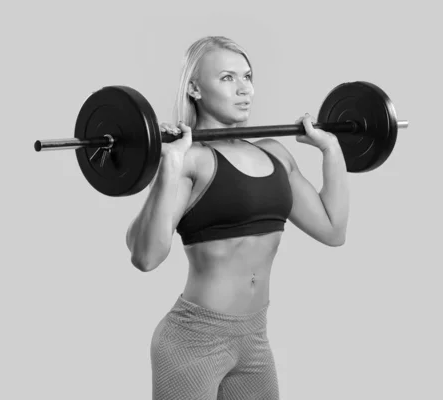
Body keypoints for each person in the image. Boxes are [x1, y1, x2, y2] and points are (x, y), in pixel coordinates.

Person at [126, 36, 350, 400]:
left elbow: (333, 229)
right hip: (192, 341)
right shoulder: (192, 161)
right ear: (195, 88)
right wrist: (169, 164)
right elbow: (146, 257)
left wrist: (331, 149)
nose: (244, 89)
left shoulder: (276, 154)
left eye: (248, 76)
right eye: (228, 78)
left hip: (254, 340)